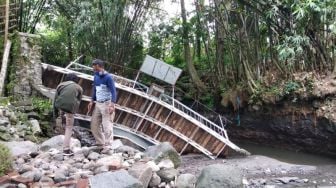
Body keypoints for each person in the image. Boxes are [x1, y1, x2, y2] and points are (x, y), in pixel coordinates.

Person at [87, 59, 117, 150]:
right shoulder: (95, 76)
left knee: (107, 125)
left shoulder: (108, 77)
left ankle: (108, 145)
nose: (93, 68)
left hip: (107, 104)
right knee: (94, 124)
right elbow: (95, 89)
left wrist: (112, 105)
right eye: (93, 66)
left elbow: (113, 91)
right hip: (98, 104)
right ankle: (100, 143)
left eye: (95, 67)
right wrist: (92, 101)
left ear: (100, 66)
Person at [54, 73, 83, 156]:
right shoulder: (79, 88)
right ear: (76, 80)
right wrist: (73, 111)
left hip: (59, 106)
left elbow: (55, 98)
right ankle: (66, 148)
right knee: (69, 127)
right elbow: (78, 101)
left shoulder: (60, 85)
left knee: (59, 123)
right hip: (70, 109)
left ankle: (57, 140)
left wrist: (55, 113)